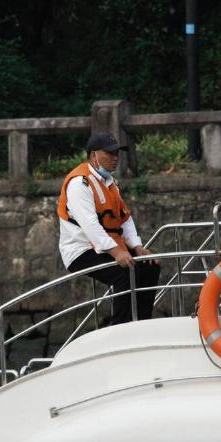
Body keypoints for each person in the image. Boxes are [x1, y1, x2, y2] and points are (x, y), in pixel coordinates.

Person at [57, 132, 160, 325]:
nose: (116, 158)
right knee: (123, 273)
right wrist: (116, 252)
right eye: (110, 153)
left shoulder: (110, 183)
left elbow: (124, 219)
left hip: (107, 245)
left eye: (117, 153)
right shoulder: (79, 183)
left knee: (150, 266)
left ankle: (142, 323)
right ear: (94, 155)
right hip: (80, 250)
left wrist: (137, 247)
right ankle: (120, 327)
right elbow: (90, 226)